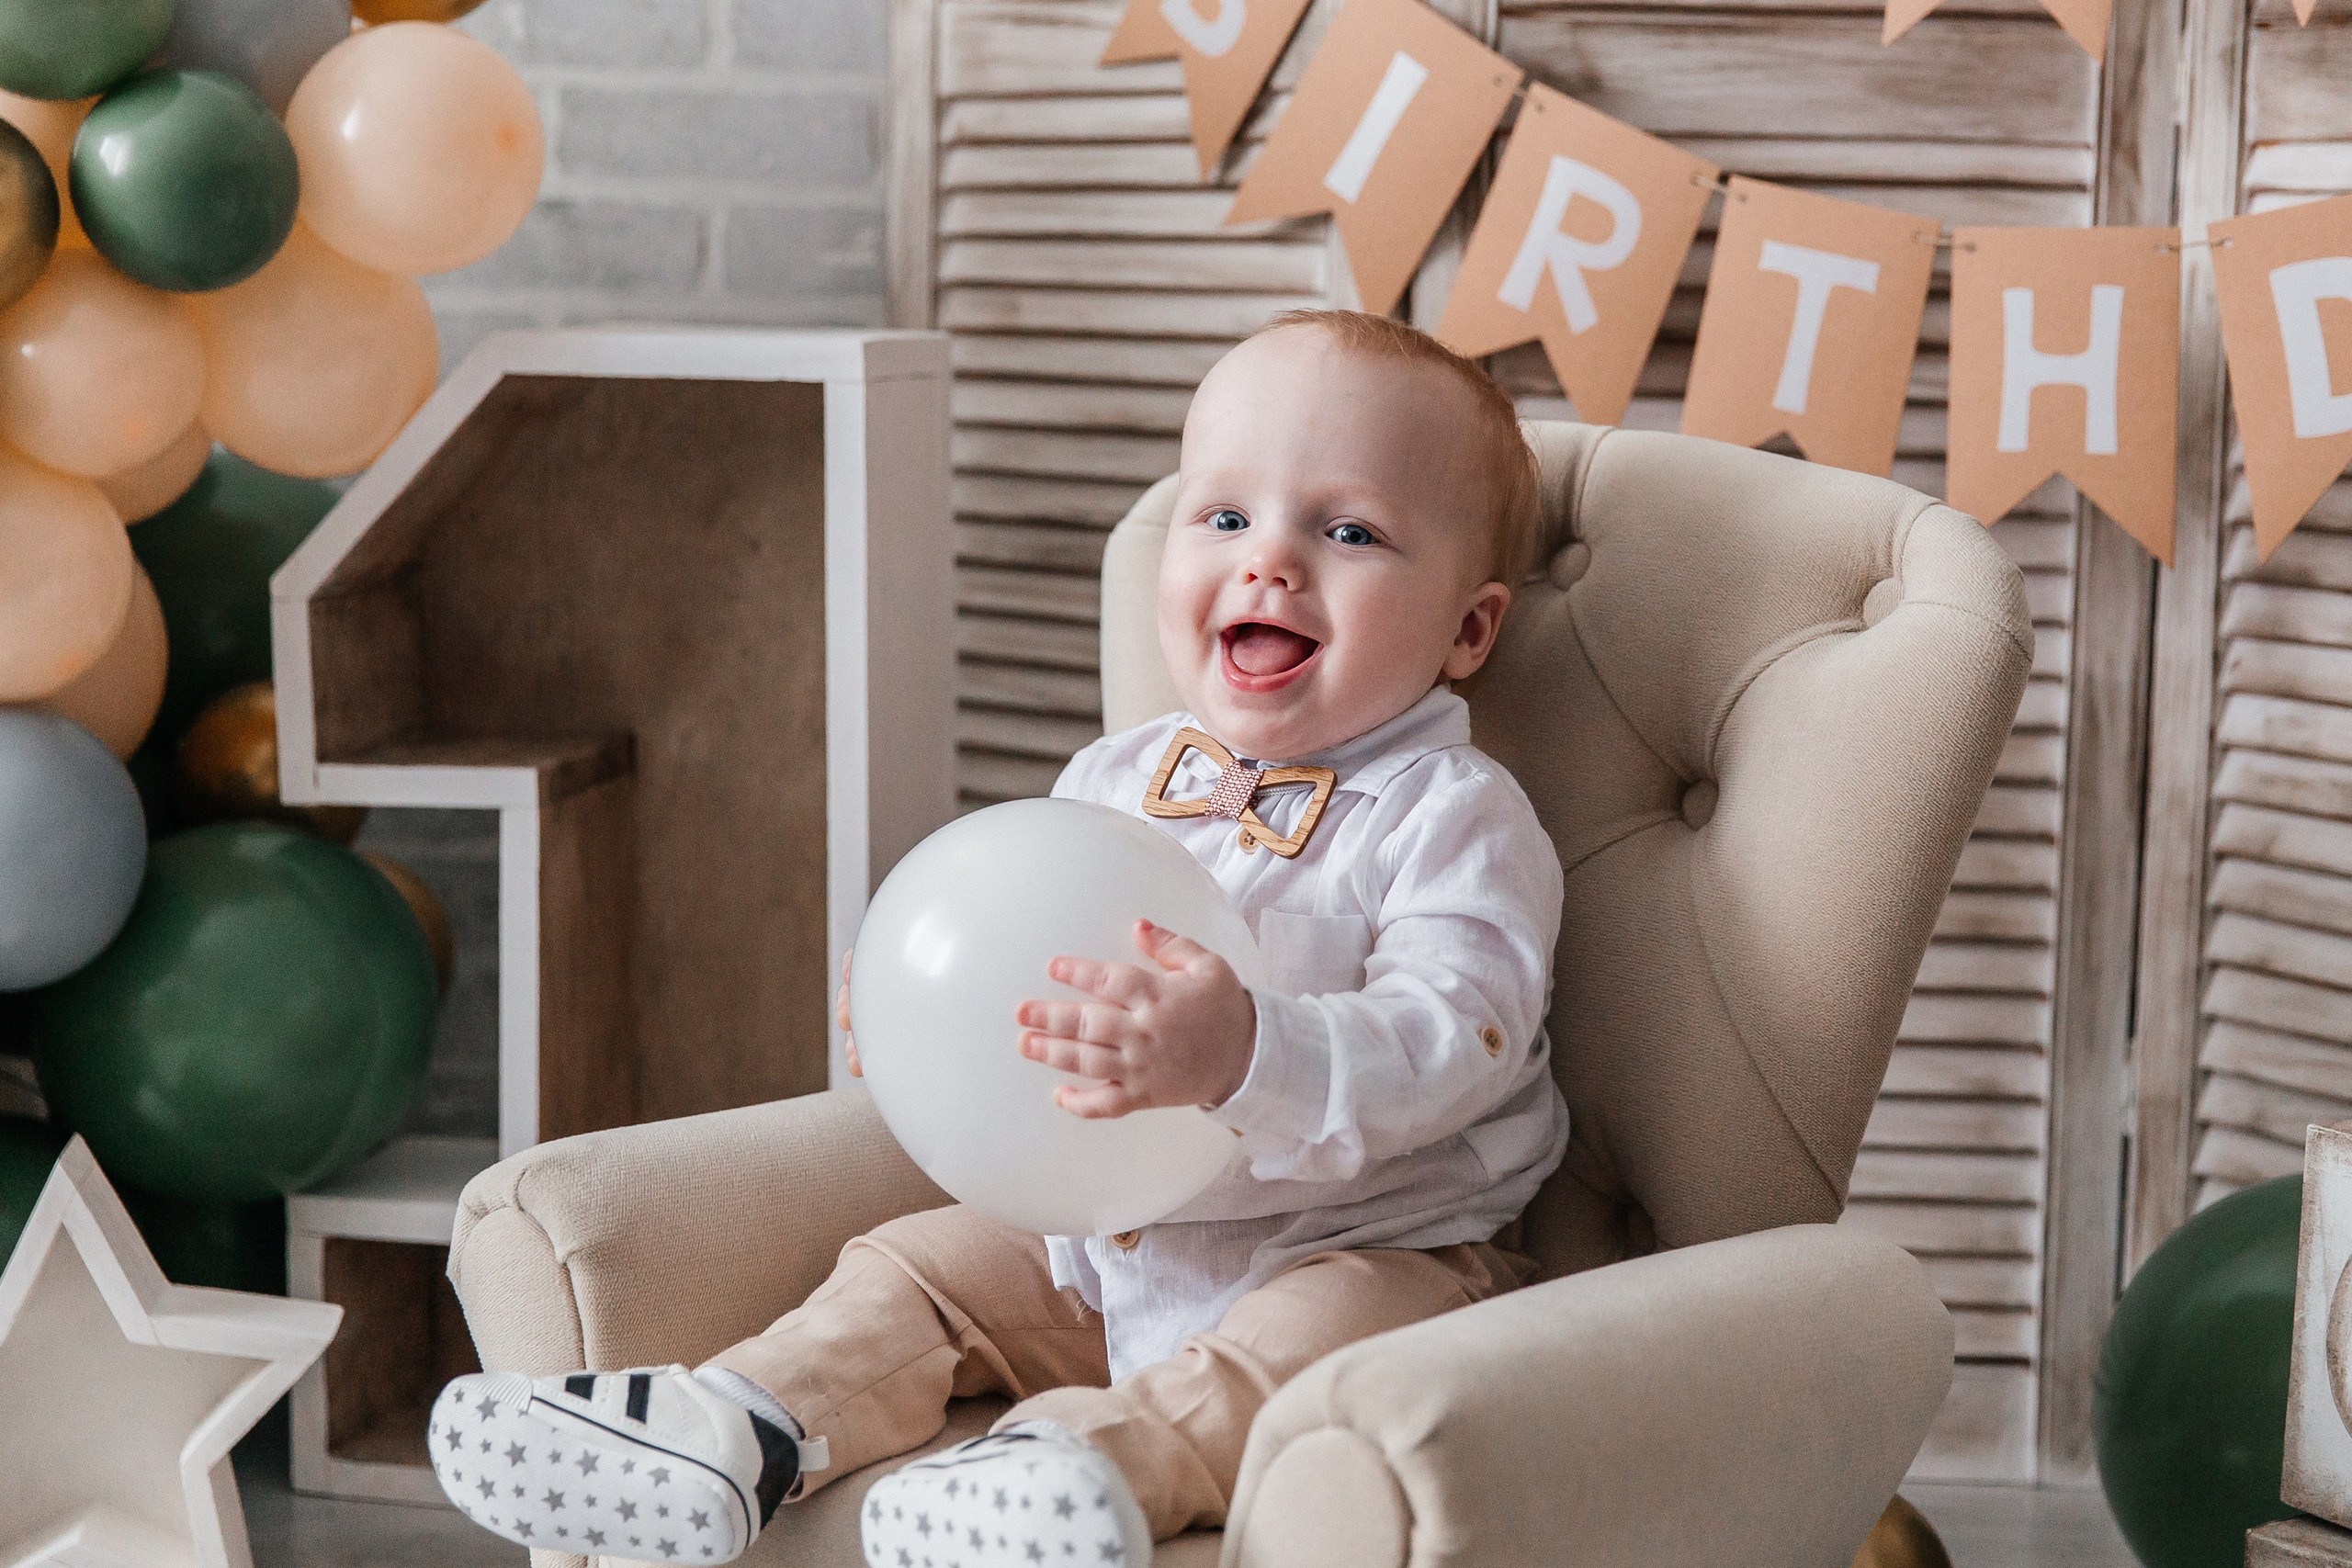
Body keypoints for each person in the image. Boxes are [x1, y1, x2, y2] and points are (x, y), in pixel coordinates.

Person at [425, 310, 1569, 1568]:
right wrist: (928, 1023)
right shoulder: (1116, 777)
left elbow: (1463, 1030)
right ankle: (734, 1428)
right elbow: (1022, 971)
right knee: (912, 1270)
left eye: (1346, 531)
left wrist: (1253, 1049)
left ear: (1470, 631)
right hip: (1100, 1257)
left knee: (1288, 1362)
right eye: (1226, 516)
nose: (1271, 564)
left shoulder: (1457, 816)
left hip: (1375, 1249)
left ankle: (1077, 1471)